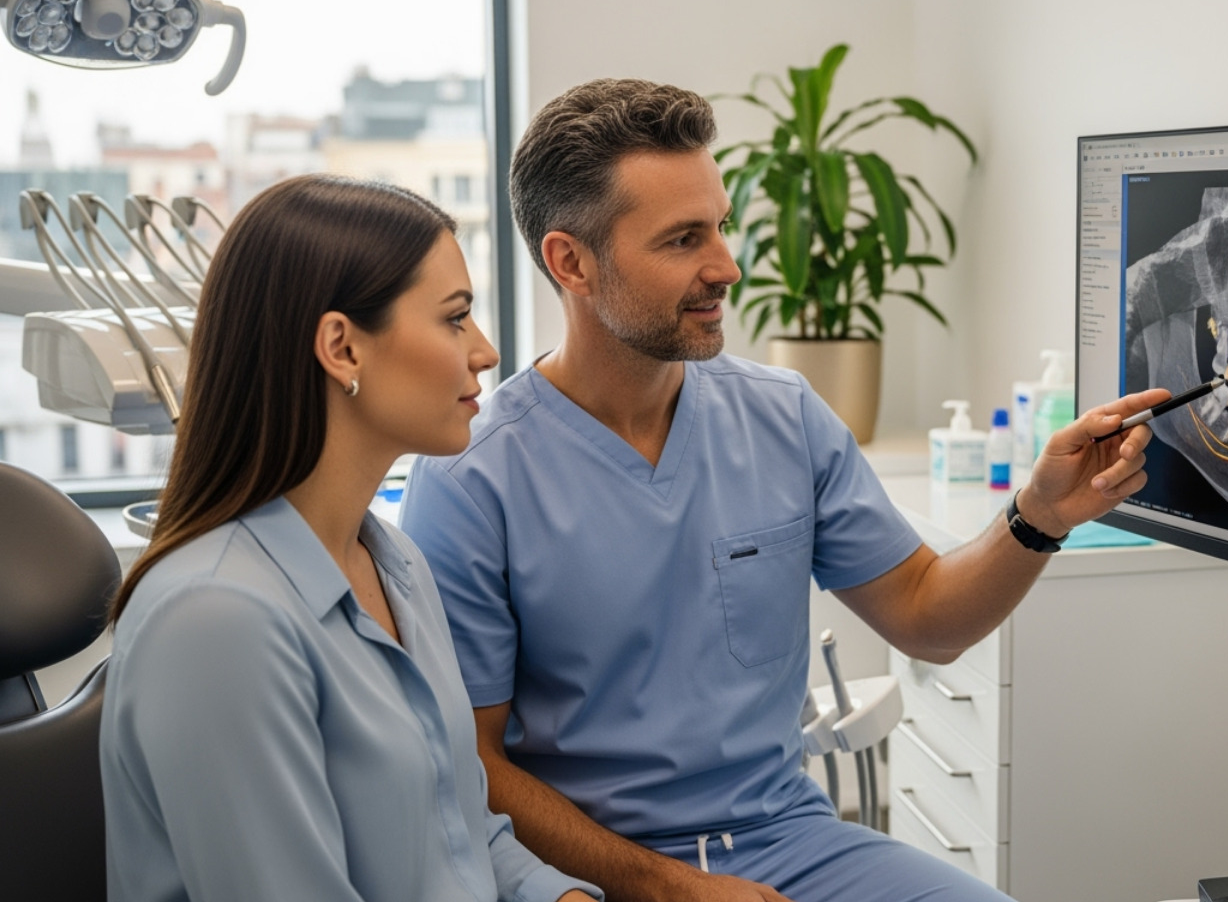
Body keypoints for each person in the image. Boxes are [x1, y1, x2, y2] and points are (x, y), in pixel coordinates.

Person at [399, 80, 1169, 902]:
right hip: (587, 874)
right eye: (683, 239)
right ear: (571, 262)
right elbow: (469, 764)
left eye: (722, 226)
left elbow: (926, 617)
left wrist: (1038, 517)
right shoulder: (469, 479)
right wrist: (666, 888)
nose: (726, 266)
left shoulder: (783, 416)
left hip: (790, 841)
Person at [100, 175, 602, 902]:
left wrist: (565, 898)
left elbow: (463, 831)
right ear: (342, 347)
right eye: (456, 318)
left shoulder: (395, 565)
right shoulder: (215, 618)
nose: (486, 351)